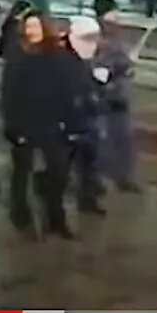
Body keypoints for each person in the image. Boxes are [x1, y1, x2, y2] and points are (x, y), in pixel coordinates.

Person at [0, 11, 82, 240]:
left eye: (36, 26)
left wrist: (71, 122)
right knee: (21, 173)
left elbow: (68, 91)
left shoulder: (57, 55)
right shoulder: (17, 54)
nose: (31, 31)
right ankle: (21, 216)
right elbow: (9, 93)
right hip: (24, 123)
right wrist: (13, 127)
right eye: (28, 26)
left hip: (52, 123)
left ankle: (55, 218)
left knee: (59, 172)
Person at [93, 0, 140, 192]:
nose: (117, 15)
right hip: (105, 98)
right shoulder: (97, 41)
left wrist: (128, 67)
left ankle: (124, 177)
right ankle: (97, 179)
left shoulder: (117, 38)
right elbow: (99, 74)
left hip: (120, 97)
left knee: (124, 138)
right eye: (113, 11)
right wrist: (122, 68)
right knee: (104, 141)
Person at [61, 16, 106, 217]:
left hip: (88, 121)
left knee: (89, 164)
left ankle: (87, 199)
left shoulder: (86, 59)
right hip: (72, 122)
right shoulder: (65, 61)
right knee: (64, 165)